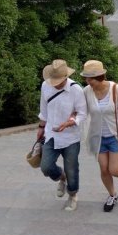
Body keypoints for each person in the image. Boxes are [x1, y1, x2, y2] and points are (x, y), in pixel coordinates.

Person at [82, 60, 118, 212]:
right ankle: (112, 195)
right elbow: (82, 112)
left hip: (115, 135)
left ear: (99, 77)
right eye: (86, 78)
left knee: (113, 169)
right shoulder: (87, 91)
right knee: (104, 169)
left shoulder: (115, 89)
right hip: (97, 136)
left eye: (90, 78)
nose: (87, 81)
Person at [38, 59, 87, 212]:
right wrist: (40, 127)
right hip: (51, 134)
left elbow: (82, 113)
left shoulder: (76, 89)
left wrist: (71, 122)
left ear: (66, 77)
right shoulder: (45, 86)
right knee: (46, 167)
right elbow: (44, 109)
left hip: (70, 137)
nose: (55, 84)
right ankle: (61, 177)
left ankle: (73, 195)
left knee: (72, 168)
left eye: (58, 81)